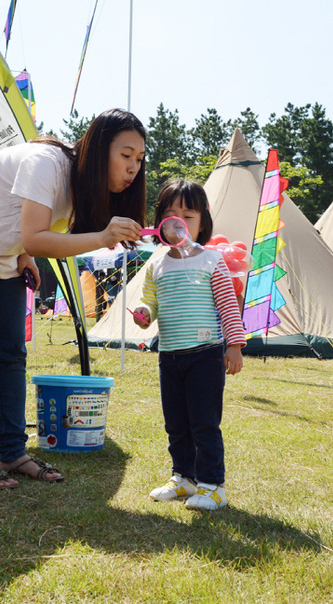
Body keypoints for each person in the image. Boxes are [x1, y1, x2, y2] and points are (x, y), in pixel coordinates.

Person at [0, 108, 146, 488]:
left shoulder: (83, 186)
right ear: (98, 150)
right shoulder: (47, 164)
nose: (133, 168)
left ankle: (13, 453)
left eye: (139, 159)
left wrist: (25, 254)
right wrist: (97, 238)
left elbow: (31, 228)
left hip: (3, 251)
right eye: (125, 155)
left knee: (12, 350)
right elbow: (34, 234)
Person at [131, 180, 245, 511]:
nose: (178, 221)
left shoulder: (211, 260)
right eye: (169, 215)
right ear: (159, 225)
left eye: (187, 215)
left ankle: (213, 486)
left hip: (205, 356)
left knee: (204, 423)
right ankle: (184, 477)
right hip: (170, 357)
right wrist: (143, 313)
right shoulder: (156, 263)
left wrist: (234, 345)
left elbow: (227, 305)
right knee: (176, 423)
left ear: (201, 223)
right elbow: (150, 302)